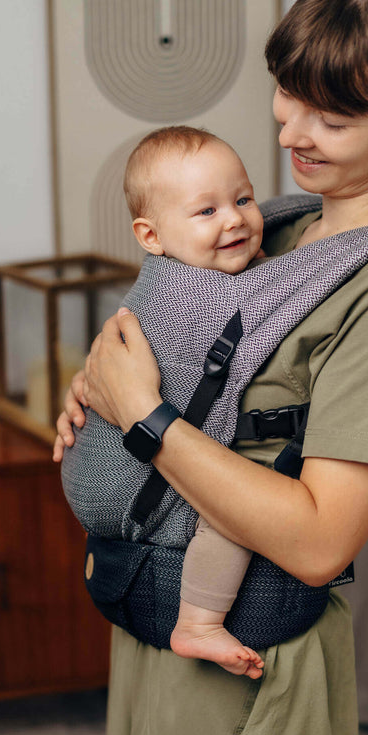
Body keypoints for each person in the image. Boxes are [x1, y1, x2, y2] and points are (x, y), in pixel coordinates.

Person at [54, 0, 368, 735]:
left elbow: (321, 541)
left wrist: (142, 416)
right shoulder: (278, 230)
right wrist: (96, 389)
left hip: (248, 659)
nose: (291, 130)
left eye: (333, 114)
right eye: (289, 91)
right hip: (149, 610)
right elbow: (177, 343)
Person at [119, 124, 268, 679]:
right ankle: (199, 623)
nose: (234, 219)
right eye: (206, 212)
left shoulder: (229, 270)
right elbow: (112, 358)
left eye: (244, 199)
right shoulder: (179, 302)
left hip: (170, 448)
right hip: (158, 473)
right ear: (151, 237)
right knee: (233, 515)